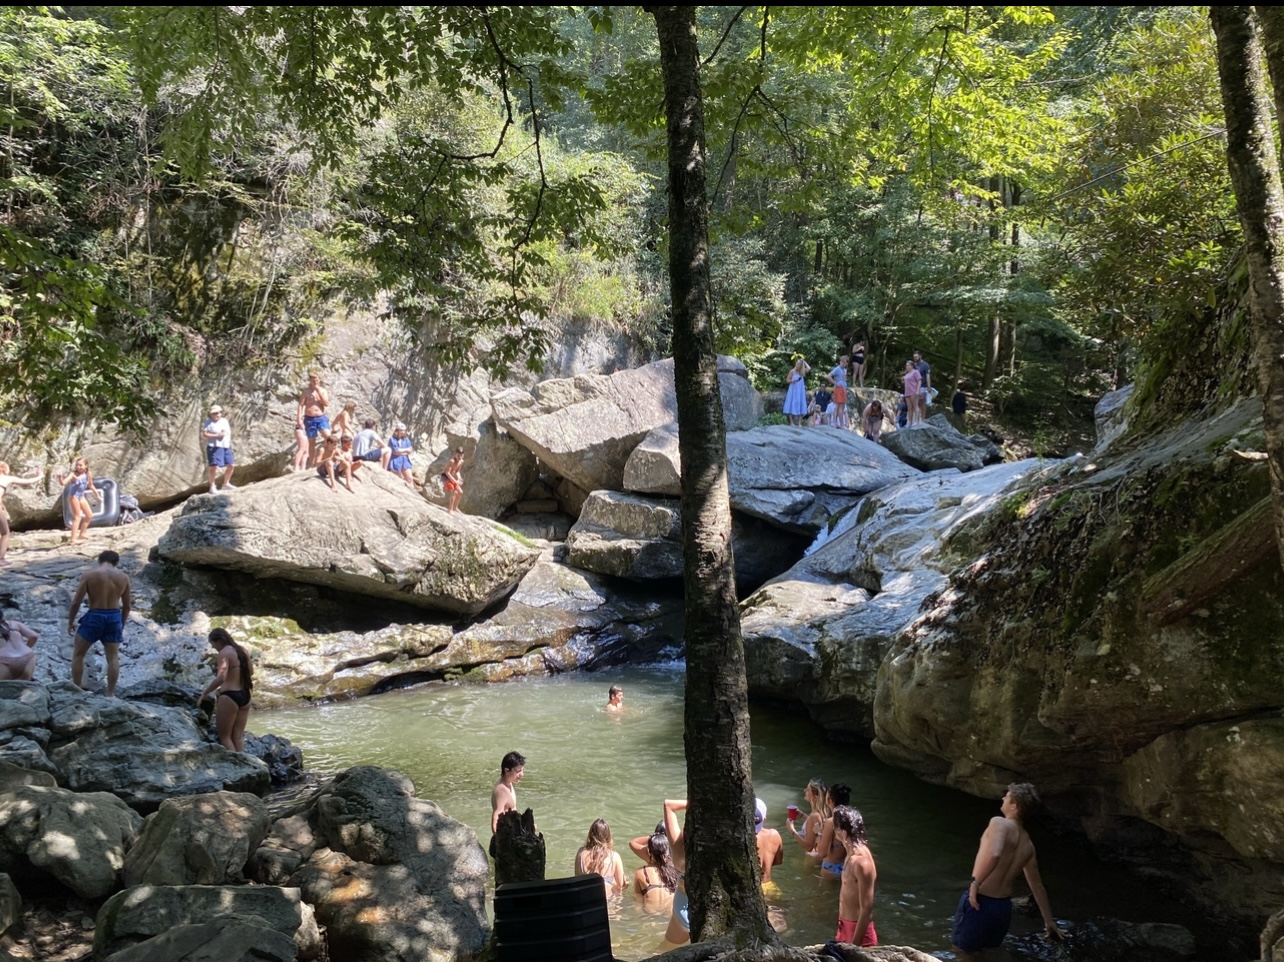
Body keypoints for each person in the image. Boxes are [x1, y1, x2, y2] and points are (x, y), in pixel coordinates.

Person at [951, 783, 1065, 960]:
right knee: (986, 953)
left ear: (1014, 806)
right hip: (1002, 908)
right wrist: (1049, 921)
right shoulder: (1028, 844)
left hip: (980, 901)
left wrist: (975, 883)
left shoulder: (999, 823)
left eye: (1007, 796)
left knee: (964, 952)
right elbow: (1037, 885)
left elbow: (995, 854)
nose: (1003, 798)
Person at [67, 550, 130, 696]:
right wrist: (122, 623)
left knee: (78, 654)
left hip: (94, 616)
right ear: (117, 563)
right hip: (114, 617)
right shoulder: (123, 577)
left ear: (99, 560)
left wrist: (70, 621)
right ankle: (110, 694)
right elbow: (127, 606)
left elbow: (76, 602)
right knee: (113, 657)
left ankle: (77, 689)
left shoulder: (89, 575)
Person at [197, 627, 253, 751]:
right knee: (237, 737)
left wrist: (205, 693)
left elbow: (221, 677)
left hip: (230, 696)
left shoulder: (224, 653)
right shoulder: (242, 650)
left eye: (212, 644)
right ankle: (245, 765)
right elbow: (251, 672)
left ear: (218, 641)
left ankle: (235, 766)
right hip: (245, 695)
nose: (213, 647)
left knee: (225, 737)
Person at [832, 805, 878, 947]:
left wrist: (854, 947)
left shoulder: (861, 862)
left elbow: (866, 909)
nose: (833, 831)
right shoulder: (849, 854)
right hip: (843, 927)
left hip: (859, 935)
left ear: (843, 832)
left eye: (835, 827)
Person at [0, 461, 41, 566]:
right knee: (5, 532)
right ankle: (1, 559)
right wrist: (40, 475)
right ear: (4, 469)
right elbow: (27, 481)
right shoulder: (6, 478)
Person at [574, 818, 627, 894]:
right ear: (608, 836)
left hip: (585, 897)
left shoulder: (581, 853)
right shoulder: (614, 857)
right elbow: (620, 886)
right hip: (607, 901)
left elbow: (577, 879)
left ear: (591, 834)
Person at [811, 782, 852, 878]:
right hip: (847, 868)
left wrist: (819, 832)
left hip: (830, 868)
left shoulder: (831, 822)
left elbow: (822, 853)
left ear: (830, 800)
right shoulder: (852, 818)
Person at [490, 750, 526, 857]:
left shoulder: (508, 784)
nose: (521, 774)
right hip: (505, 841)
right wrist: (500, 842)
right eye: (518, 771)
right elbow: (497, 815)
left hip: (511, 836)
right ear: (507, 771)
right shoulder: (501, 791)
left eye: (522, 770)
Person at [633, 832, 678, 914]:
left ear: (649, 851)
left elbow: (638, 903)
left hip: (650, 915)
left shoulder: (641, 872)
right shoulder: (676, 870)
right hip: (671, 916)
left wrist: (653, 836)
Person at [57, 457, 97, 547]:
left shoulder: (88, 474)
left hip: (81, 496)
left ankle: (82, 534)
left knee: (89, 515)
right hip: (73, 497)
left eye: (80, 465)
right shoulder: (73, 474)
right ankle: (73, 540)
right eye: (77, 465)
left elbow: (90, 485)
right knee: (77, 517)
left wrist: (97, 495)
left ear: (86, 465)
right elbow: (63, 483)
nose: (78, 467)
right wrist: (60, 477)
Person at [297, 371, 331, 466]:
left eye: (317, 380)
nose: (315, 382)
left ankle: (326, 458)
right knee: (311, 442)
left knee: (328, 437)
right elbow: (301, 405)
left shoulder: (323, 391)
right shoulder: (306, 391)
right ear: (310, 381)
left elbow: (326, 403)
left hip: (321, 417)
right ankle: (311, 463)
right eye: (313, 381)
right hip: (309, 418)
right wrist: (299, 418)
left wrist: (319, 391)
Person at [787, 777, 829, 853]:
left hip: (812, 857)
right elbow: (814, 828)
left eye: (808, 790)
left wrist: (792, 830)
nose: (804, 790)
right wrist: (802, 816)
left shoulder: (814, 816)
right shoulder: (820, 813)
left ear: (815, 797)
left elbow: (809, 847)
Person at [202, 404, 236, 494]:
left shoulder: (224, 421)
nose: (216, 415)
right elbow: (205, 434)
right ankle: (212, 486)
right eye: (214, 413)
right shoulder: (208, 422)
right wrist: (216, 435)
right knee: (213, 466)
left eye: (218, 413)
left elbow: (225, 431)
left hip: (225, 446)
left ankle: (226, 483)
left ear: (221, 413)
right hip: (214, 446)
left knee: (231, 465)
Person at [754, 798, 784, 887]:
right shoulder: (774, 834)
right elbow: (777, 862)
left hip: (755, 890)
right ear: (764, 818)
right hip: (769, 886)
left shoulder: (746, 839)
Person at [0, 614, 38, 680]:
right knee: (24, 687)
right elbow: (34, 636)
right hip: (28, 657)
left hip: (4, 660)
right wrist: (27, 647)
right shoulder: (14, 623)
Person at [783, 358, 810, 427]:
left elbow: (809, 368)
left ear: (801, 366)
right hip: (793, 389)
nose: (797, 365)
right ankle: (791, 422)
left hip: (800, 390)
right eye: (797, 364)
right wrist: (792, 380)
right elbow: (787, 380)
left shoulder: (802, 372)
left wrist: (804, 361)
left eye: (799, 365)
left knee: (801, 403)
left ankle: (799, 422)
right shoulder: (792, 371)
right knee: (791, 403)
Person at [386, 423, 415, 488]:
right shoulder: (392, 439)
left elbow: (410, 451)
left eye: (404, 430)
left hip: (405, 461)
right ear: (397, 431)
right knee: (395, 479)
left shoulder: (406, 439)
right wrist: (405, 450)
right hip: (395, 460)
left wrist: (402, 452)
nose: (402, 432)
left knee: (410, 479)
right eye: (401, 430)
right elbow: (395, 451)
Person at [825, 356, 850, 429]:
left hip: (843, 388)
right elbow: (828, 376)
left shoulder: (844, 370)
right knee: (840, 407)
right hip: (839, 389)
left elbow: (844, 379)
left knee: (839, 406)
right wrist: (835, 383)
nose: (843, 363)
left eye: (845, 362)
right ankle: (841, 424)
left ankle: (836, 423)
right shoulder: (837, 369)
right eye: (842, 361)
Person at [443, 447, 464, 512]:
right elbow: (447, 473)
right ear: (455, 454)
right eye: (458, 456)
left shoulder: (461, 461)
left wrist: (459, 478)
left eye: (461, 456)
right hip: (445, 477)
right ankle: (450, 509)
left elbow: (457, 471)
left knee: (460, 492)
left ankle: (455, 507)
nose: (460, 457)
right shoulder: (451, 461)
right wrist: (455, 481)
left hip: (451, 477)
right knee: (454, 492)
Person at [903, 361, 922, 427]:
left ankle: (917, 421)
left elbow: (919, 381)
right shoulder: (907, 373)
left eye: (908, 365)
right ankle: (910, 422)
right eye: (906, 365)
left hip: (914, 391)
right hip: (907, 392)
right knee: (909, 407)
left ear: (912, 366)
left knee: (915, 405)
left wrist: (917, 390)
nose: (907, 367)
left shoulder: (915, 372)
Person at [914, 350, 932, 418]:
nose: (915, 358)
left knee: (921, 402)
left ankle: (923, 418)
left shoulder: (925, 365)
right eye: (914, 357)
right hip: (914, 386)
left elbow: (927, 376)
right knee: (915, 402)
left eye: (916, 356)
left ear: (920, 356)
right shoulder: (914, 365)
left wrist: (928, 386)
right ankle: (916, 418)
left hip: (922, 386)